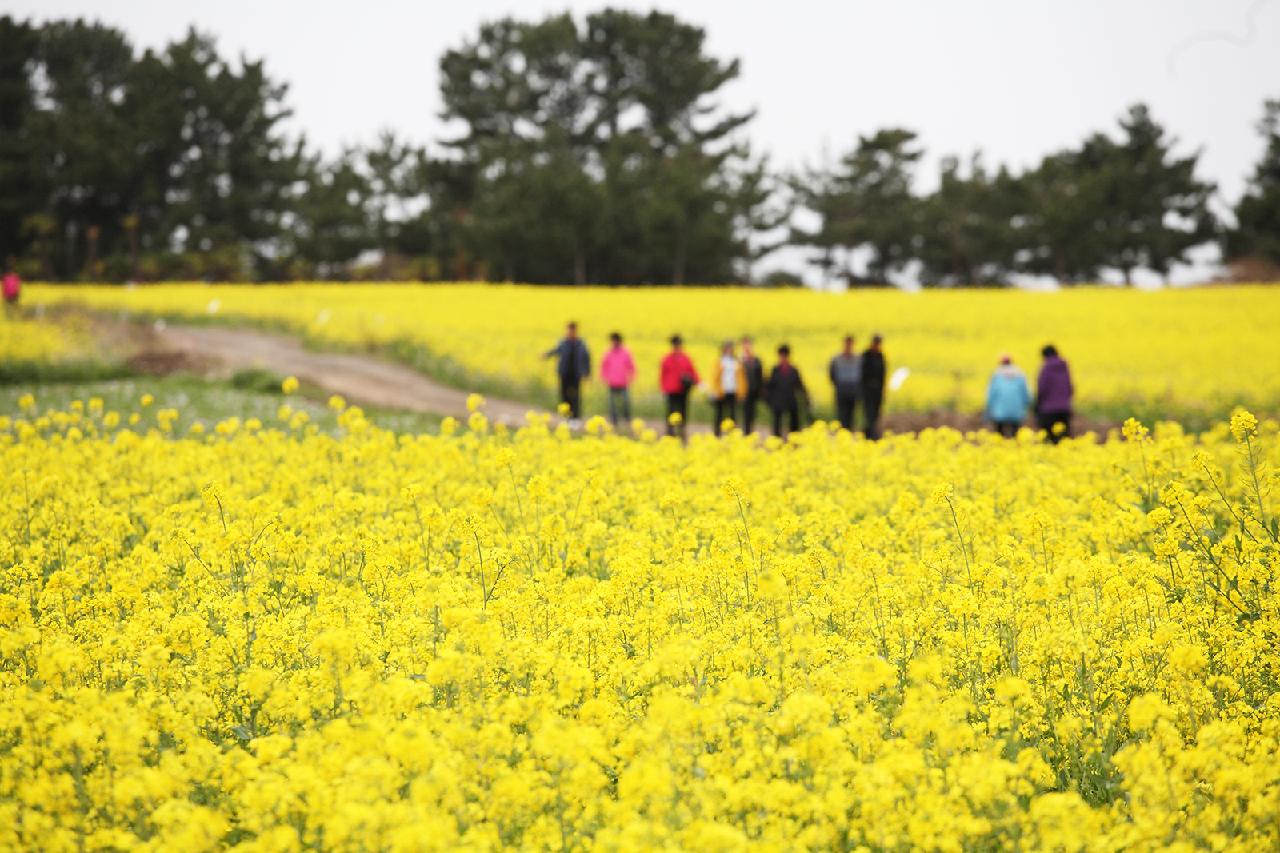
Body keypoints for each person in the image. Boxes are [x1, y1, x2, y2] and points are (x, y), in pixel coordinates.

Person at [543, 321, 590, 421]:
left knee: (576, 396)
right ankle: (565, 416)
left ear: (576, 331)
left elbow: (586, 358)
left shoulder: (581, 344)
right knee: (564, 395)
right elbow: (556, 351)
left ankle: (576, 417)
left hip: (576, 374)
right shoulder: (563, 342)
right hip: (564, 373)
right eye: (569, 330)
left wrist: (587, 372)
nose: (570, 332)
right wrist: (546, 355)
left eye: (572, 330)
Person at [659, 334, 699, 440]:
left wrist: (697, 381)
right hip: (671, 389)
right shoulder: (668, 359)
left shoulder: (685, 358)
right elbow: (663, 374)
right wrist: (663, 387)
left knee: (683, 410)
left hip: (683, 389)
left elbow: (692, 371)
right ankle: (670, 431)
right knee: (671, 410)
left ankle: (681, 430)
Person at [765, 344, 809, 439]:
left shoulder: (793, 370)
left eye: (785, 356)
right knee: (776, 422)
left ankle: (794, 438)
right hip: (778, 400)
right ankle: (776, 440)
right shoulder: (775, 370)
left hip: (790, 399)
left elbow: (800, 385)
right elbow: (769, 386)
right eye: (781, 356)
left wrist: (806, 398)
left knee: (794, 421)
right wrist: (769, 400)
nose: (783, 358)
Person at [1035, 344, 1074, 443]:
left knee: (1049, 440)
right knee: (1064, 440)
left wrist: (1038, 405)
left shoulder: (1046, 368)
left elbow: (1042, 389)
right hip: (1064, 409)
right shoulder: (1064, 367)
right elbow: (1070, 388)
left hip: (1048, 410)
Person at [985, 354, 1031, 437]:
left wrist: (989, 407)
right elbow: (1026, 393)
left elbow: (991, 394)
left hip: (999, 411)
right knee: (1015, 433)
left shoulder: (996, 375)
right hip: (1017, 411)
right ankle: (1015, 447)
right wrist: (1026, 406)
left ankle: (1000, 448)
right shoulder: (1020, 375)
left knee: (999, 434)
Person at [709, 340, 747, 436]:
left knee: (732, 414)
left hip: (733, 390)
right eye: (728, 348)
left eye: (731, 348)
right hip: (721, 391)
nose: (730, 350)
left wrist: (742, 392)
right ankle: (717, 434)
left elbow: (741, 378)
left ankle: (731, 434)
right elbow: (714, 377)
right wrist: (713, 391)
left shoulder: (736, 362)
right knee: (719, 414)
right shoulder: (719, 361)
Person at [599, 331, 635, 427]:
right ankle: (614, 421)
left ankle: (627, 418)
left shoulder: (626, 352)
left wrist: (632, 376)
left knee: (625, 402)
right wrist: (604, 377)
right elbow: (604, 366)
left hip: (623, 382)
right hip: (612, 382)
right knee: (612, 404)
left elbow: (631, 365)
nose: (614, 342)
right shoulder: (608, 353)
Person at [828, 335, 862, 431]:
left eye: (850, 344)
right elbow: (831, 373)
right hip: (841, 389)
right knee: (842, 415)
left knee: (852, 415)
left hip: (853, 389)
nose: (849, 346)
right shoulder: (836, 358)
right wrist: (837, 385)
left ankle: (850, 434)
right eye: (847, 343)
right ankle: (842, 434)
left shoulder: (858, 358)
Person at [861, 334, 886, 440]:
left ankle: (874, 434)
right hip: (867, 391)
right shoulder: (865, 355)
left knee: (876, 414)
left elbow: (883, 374)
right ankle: (869, 435)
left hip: (877, 391)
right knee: (868, 413)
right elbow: (862, 373)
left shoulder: (881, 356)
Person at [740, 336, 764, 435]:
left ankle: (749, 432)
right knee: (744, 413)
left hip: (753, 391)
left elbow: (760, 376)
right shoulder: (739, 360)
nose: (747, 346)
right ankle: (744, 432)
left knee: (752, 413)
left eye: (749, 344)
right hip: (742, 391)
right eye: (745, 344)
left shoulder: (756, 360)